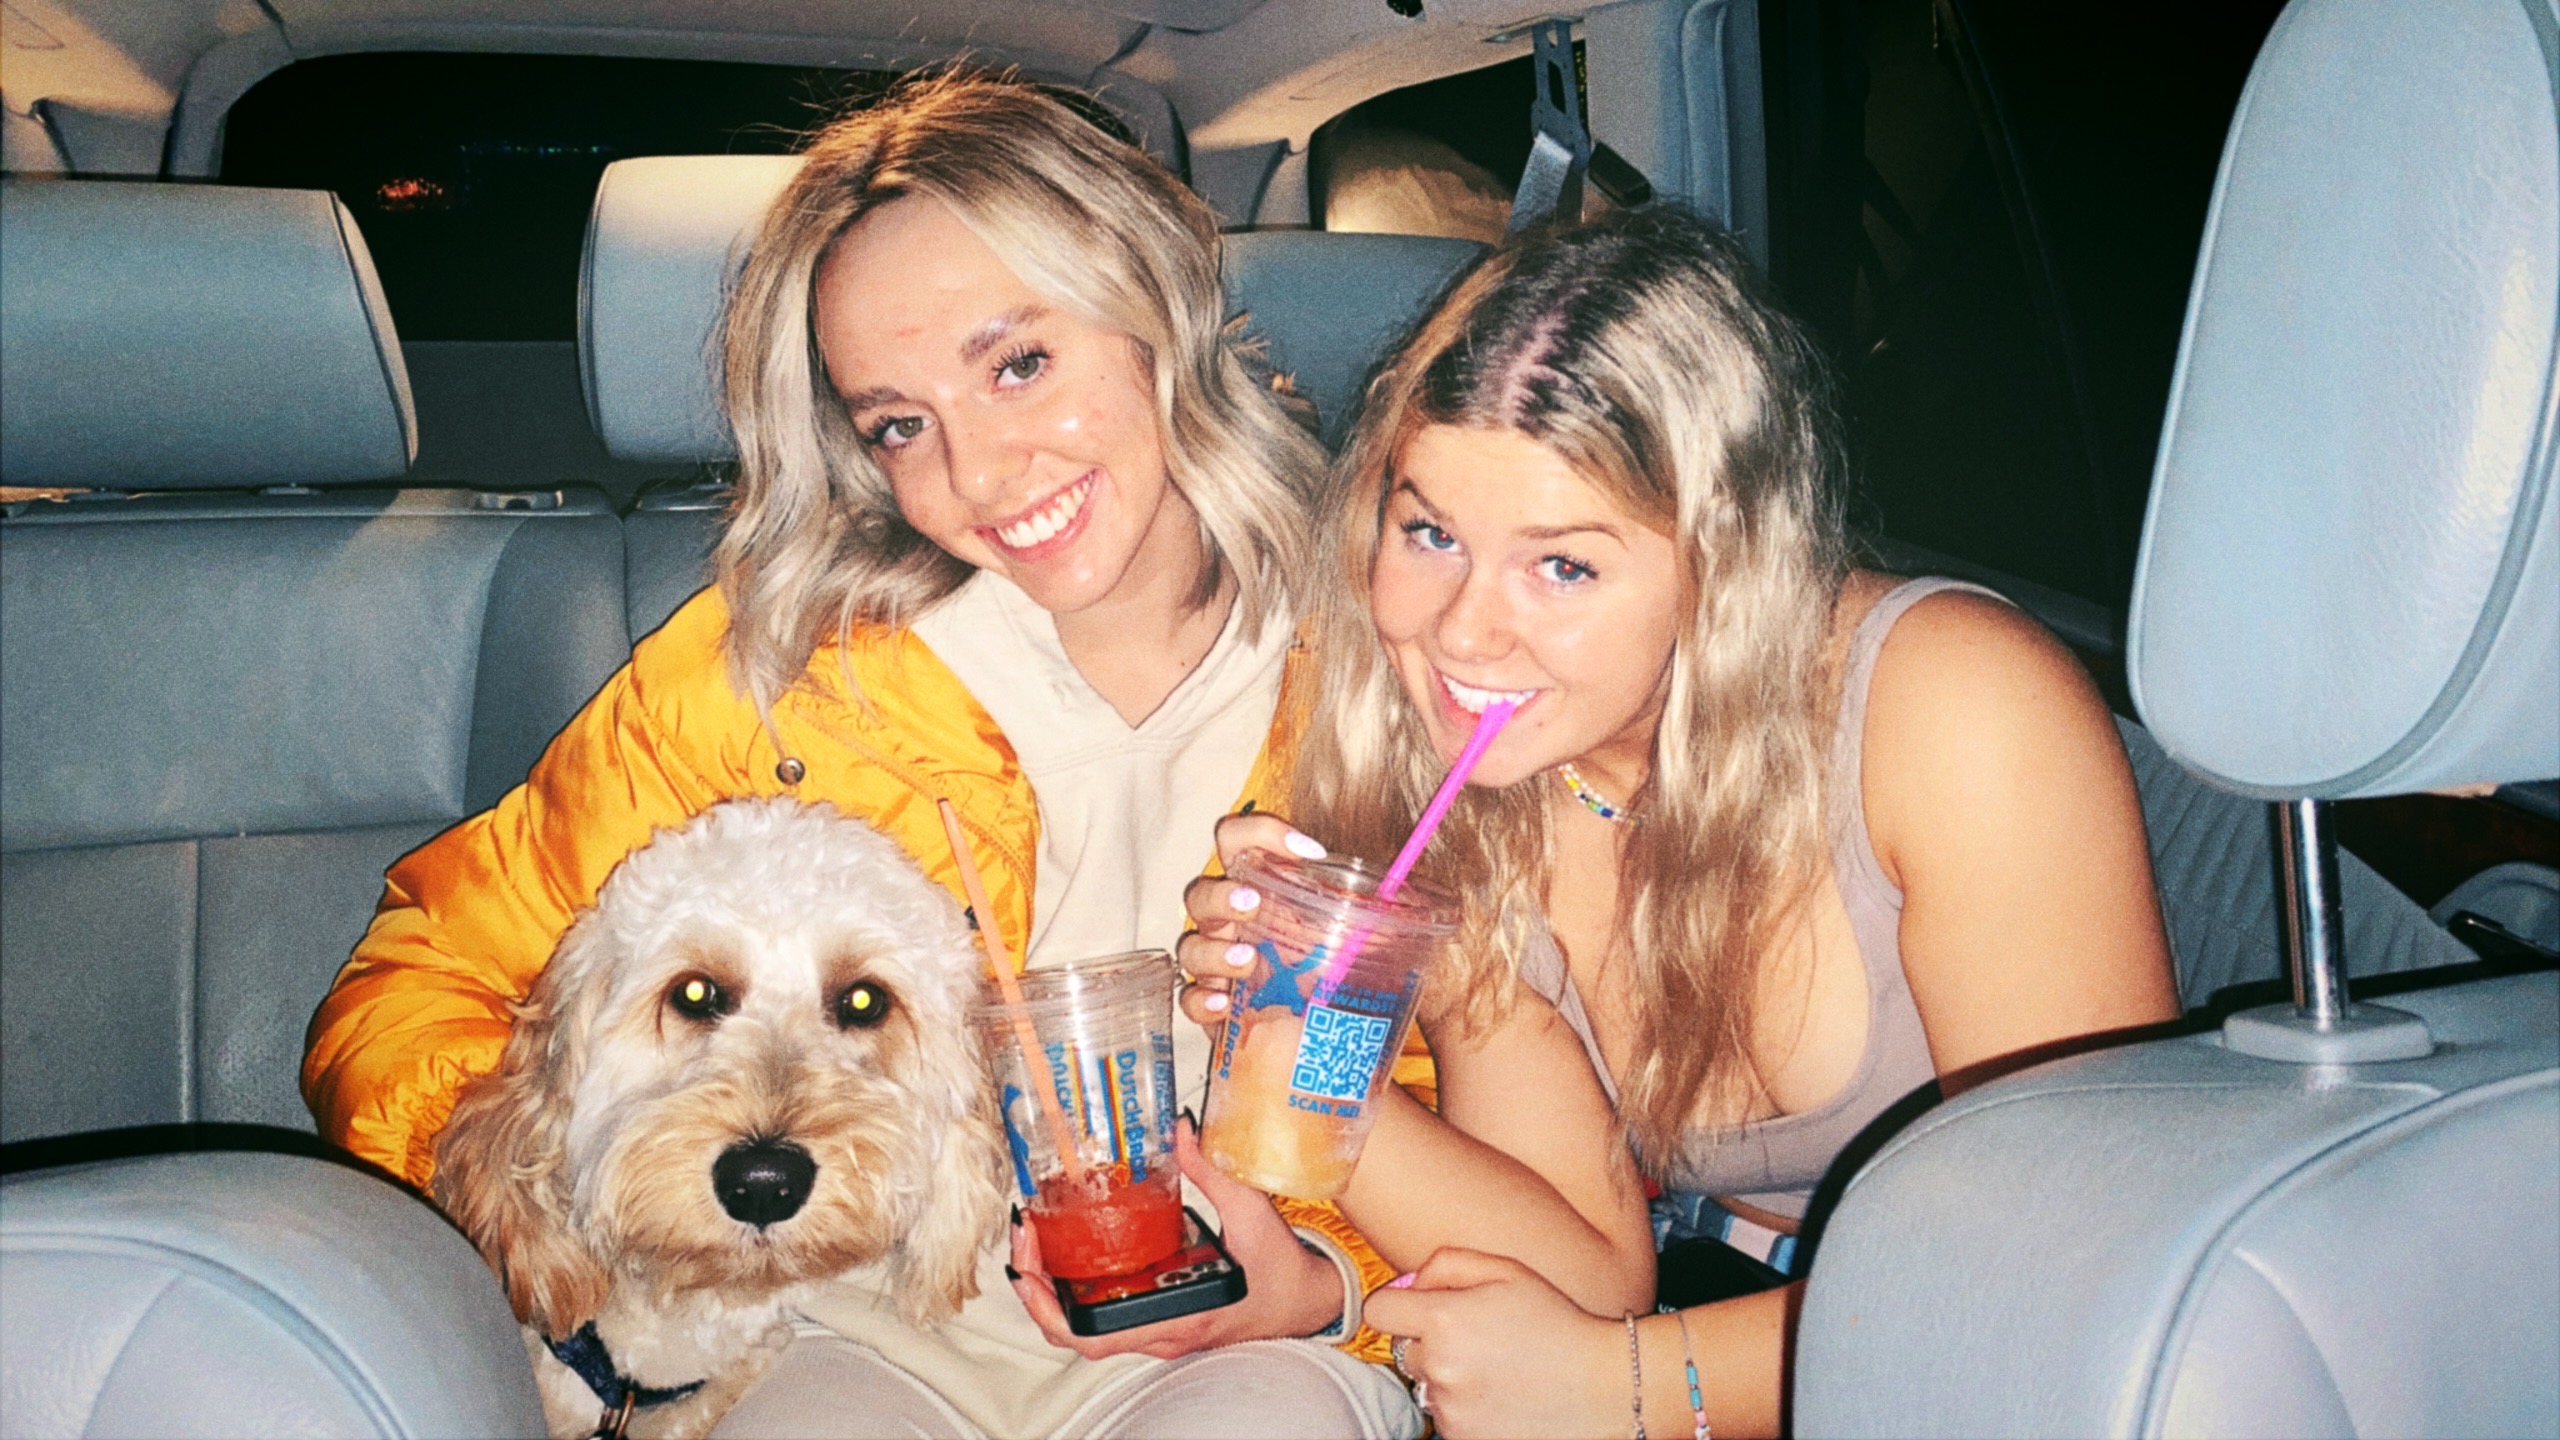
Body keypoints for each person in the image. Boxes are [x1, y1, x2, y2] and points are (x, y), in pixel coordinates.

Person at [301, 75, 1604, 1439]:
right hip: (861, 1328)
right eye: (898, 425)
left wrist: (1326, 1284)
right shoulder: (772, 685)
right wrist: (572, 1197)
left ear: (1155, 307)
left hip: (1241, 1344)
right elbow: (420, 982)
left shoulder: (1392, 675)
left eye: (1018, 362)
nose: (979, 473)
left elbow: (1505, 1154)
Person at [1175, 206, 2180, 1438]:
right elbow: (1590, 1267)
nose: (1461, 634)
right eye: (1429, 531)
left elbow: (2091, 1265)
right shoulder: (1471, 792)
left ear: (1723, 562)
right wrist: (1304, 1047)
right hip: (1735, 1317)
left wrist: (1637, 1385)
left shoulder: (1954, 712)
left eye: (1563, 566)